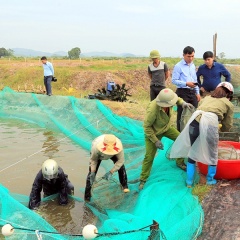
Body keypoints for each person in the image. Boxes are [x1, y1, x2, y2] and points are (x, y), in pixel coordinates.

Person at [170, 82, 234, 187]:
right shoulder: (228, 104)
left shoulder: (207, 98)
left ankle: (189, 182)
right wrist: (222, 129)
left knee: (193, 151)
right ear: (228, 94)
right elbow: (227, 124)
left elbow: (201, 109)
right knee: (212, 152)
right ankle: (210, 180)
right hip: (210, 124)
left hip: (194, 122)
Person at [139, 88, 194, 190]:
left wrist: (183, 103)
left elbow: (177, 99)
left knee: (182, 140)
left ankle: (179, 161)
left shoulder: (170, 99)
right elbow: (146, 127)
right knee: (149, 157)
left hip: (166, 128)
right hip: (153, 133)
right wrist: (155, 140)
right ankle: (143, 179)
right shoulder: (153, 110)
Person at [84, 134, 130, 202]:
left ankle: (124, 186)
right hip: (99, 154)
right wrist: (93, 171)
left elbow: (121, 161)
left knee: (121, 167)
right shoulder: (96, 147)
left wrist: (111, 172)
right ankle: (87, 197)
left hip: (114, 153)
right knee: (91, 175)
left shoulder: (118, 146)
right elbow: (93, 160)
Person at [172, 46, 201, 131]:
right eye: (189, 56)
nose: (191, 58)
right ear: (183, 55)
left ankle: (192, 134)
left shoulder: (192, 65)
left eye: (192, 56)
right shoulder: (178, 66)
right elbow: (174, 80)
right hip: (182, 92)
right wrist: (186, 83)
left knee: (194, 113)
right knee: (182, 115)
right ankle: (179, 134)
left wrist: (197, 92)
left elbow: (194, 80)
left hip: (192, 92)